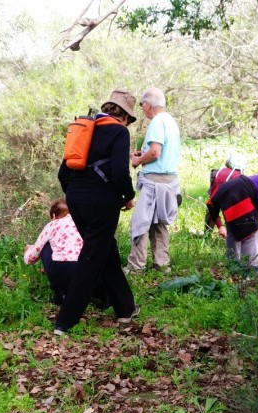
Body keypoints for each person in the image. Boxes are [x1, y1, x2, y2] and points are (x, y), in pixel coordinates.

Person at [55, 89, 139, 335]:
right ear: (124, 115)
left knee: (105, 250)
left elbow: (64, 172)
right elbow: (119, 172)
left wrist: (76, 194)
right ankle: (65, 322)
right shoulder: (119, 131)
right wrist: (129, 196)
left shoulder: (84, 127)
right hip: (102, 203)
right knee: (91, 257)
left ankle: (125, 309)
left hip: (76, 200)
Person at [126, 87, 182, 273]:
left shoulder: (157, 122)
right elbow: (161, 152)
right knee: (159, 223)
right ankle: (162, 263)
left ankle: (135, 266)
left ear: (148, 104)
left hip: (155, 181)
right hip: (169, 180)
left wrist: (137, 161)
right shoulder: (170, 121)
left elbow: (156, 153)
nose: (142, 109)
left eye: (142, 105)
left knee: (140, 222)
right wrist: (143, 154)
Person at [24, 199, 83, 304]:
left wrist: (28, 250)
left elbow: (31, 258)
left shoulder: (53, 225)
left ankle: (60, 293)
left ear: (54, 216)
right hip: (86, 271)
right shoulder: (84, 223)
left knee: (45, 246)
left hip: (61, 271)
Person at [204, 153, 246, 234]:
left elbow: (212, 204)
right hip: (226, 197)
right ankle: (232, 236)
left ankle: (208, 234)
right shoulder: (240, 177)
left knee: (211, 210)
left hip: (220, 195)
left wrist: (220, 226)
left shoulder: (220, 173)